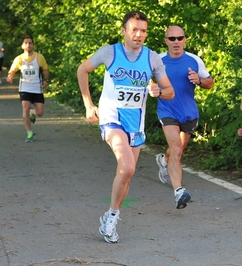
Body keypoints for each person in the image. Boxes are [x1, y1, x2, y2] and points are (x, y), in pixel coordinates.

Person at [77, 11, 174, 244]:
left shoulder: (152, 58)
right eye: (134, 30)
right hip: (111, 117)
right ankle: (111, 219)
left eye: (143, 31)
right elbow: (82, 70)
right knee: (128, 166)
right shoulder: (110, 52)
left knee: (127, 174)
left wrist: (158, 91)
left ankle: (111, 216)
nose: (139, 35)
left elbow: (169, 91)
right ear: (124, 31)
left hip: (135, 123)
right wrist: (88, 104)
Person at [155, 25, 213, 209]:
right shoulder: (157, 60)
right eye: (172, 39)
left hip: (188, 112)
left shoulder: (194, 60)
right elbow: (145, 81)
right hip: (167, 110)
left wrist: (200, 80)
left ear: (185, 39)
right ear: (166, 41)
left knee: (178, 151)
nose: (176, 42)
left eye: (180, 38)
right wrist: (152, 88)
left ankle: (164, 160)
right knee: (177, 149)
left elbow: (210, 83)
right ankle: (179, 191)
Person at [6, 37, 49, 142]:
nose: (28, 45)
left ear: (33, 45)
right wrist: (10, 76)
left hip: (37, 88)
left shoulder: (39, 57)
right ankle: (29, 133)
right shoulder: (19, 59)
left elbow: (45, 70)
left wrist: (46, 80)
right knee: (25, 108)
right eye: (26, 43)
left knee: (40, 112)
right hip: (24, 87)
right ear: (22, 46)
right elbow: (12, 70)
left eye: (30, 43)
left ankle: (32, 113)